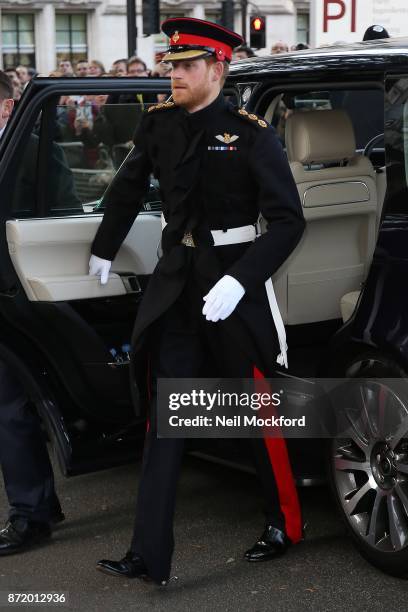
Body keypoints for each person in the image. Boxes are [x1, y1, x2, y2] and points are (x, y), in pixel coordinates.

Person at [90, 17, 305, 586]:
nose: (174, 76)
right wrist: (104, 247)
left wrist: (244, 279)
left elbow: (287, 221)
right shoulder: (158, 124)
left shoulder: (250, 132)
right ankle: (148, 552)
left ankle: (284, 522)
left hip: (234, 281)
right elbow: (130, 185)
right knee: (167, 417)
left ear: (217, 68)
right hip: (177, 282)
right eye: (171, 66)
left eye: (186, 66)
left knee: (260, 410)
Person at [0, 72, 65, 555]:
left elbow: (60, 214)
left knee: (10, 410)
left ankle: (31, 514)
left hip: (19, 293)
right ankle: (39, 505)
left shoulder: (38, 150)